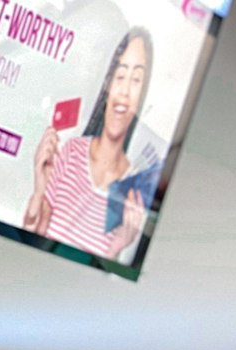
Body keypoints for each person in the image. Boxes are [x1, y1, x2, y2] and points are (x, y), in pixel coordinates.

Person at [23, 27, 154, 260]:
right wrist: (39, 187)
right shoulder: (71, 151)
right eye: (120, 76)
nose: (124, 92)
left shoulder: (134, 191)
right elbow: (33, 234)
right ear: (107, 84)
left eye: (136, 81)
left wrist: (118, 246)